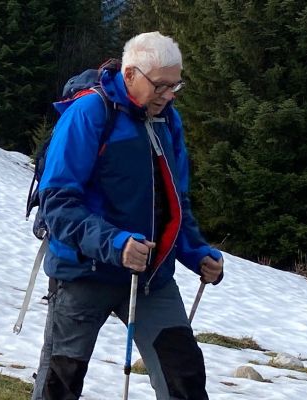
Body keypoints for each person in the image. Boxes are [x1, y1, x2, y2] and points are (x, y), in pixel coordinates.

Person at [31, 32, 225, 400]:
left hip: (151, 278)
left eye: (175, 85)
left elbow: (174, 202)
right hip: (83, 275)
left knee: (184, 377)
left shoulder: (168, 121)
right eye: (162, 85)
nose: (169, 95)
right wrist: (115, 243)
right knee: (60, 384)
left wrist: (197, 253)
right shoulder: (89, 113)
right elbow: (57, 201)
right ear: (131, 74)